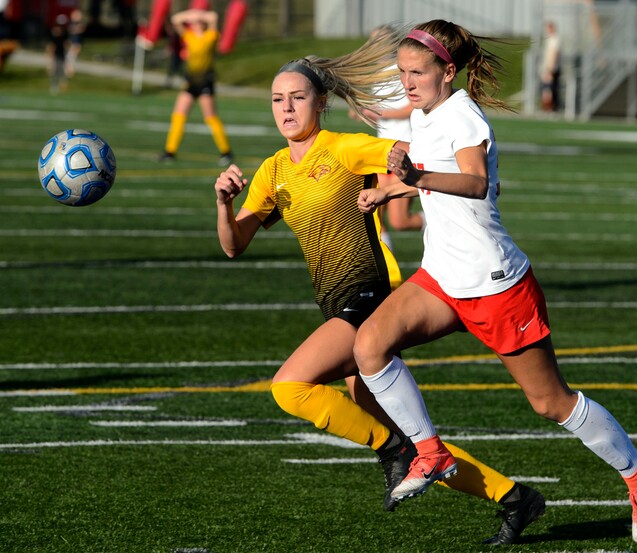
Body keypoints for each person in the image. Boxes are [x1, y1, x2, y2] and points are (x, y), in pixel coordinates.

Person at [214, 31, 544, 545]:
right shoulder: (272, 171)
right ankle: (513, 498)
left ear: (321, 103)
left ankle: (392, 451)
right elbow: (234, 245)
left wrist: (438, 175)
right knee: (415, 442)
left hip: (372, 296)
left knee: (289, 387)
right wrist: (223, 203)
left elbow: (420, 151)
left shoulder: (345, 148)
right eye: (278, 99)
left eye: (297, 97)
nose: (286, 107)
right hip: (337, 308)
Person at [353, 19, 637, 545]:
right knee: (370, 345)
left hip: (496, 283)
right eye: (402, 72)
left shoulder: (462, 116)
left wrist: (414, 181)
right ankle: (428, 451)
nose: (407, 82)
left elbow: (475, 183)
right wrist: (389, 190)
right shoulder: (425, 111)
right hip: (443, 278)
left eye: (417, 73)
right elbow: (423, 162)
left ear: (447, 72)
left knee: (550, 403)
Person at [349, 25, 425, 252]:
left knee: (400, 222)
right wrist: (362, 112)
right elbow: (379, 113)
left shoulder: (402, 72)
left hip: (405, 151)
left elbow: (411, 109)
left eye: (379, 42)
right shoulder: (377, 76)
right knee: (374, 214)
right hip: (382, 152)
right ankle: (388, 271)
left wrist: (377, 112)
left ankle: (435, 222)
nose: (374, 47)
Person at [159, 8, 232, 165]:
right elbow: (176, 20)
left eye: (199, 22)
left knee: (211, 118)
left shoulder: (210, 36)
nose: (196, 23)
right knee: (178, 115)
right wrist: (192, 15)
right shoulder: (189, 35)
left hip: (205, 81)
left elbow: (213, 16)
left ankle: (226, 151)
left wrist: (200, 16)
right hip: (191, 81)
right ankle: (170, 151)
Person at [539, 20, 561, 112]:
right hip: (548, 68)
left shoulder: (554, 39)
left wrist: (549, 70)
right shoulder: (550, 39)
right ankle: (549, 108)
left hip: (550, 69)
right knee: (547, 88)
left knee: (548, 89)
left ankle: (550, 108)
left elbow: (554, 54)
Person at [46, 14, 70, 95]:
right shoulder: (53, 33)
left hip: (62, 54)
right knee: (55, 70)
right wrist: (50, 57)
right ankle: (54, 85)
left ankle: (62, 85)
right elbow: (51, 46)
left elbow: (66, 44)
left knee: (62, 71)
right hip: (56, 54)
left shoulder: (65, 33)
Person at [65, 8, 85, 78]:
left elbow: (80, 29)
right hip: (71, 43)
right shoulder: (71, 23)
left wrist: (76, 29)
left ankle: (70, 70)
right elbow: (71, 30)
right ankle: (69, 70)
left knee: (73, 56)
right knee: (69, 56)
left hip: (76, 43)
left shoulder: (80, 24)